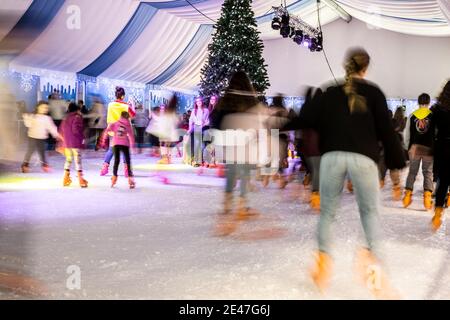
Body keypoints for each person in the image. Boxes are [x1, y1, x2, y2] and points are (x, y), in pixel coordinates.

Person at [299, 48, 406, 297]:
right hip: (364, 159)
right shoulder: (375, 93)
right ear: (365, 68)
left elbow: (307, 116)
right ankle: (373, 266)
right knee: (369, 214)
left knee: (327, 213)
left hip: (332, 158)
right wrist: (395, 158)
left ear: (345, 65)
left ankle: (323, 262)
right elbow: (386, 130)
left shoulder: (330, 92)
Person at [211, 71, 263, 236]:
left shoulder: (225, 101)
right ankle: (242, 204)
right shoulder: (251, 102)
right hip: (246, 141)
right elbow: (257, 122)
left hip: (230, 141)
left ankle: (227, 203)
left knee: (231, 170)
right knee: (245, 172)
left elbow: (216, 119)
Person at [402, 93, 434, 210]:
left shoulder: (411, 116)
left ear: (418, 102)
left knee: (412, 172)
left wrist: (407, 146)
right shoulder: (433, 116)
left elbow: (407, 134)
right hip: (428, 148)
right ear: (429, 102)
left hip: (415, 148)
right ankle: (427, 199)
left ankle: (407, 197)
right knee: (428, 173)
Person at [100, 87, 135, 176]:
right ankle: (126, 170)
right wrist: (132, 105)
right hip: (123, 130)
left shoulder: (110, 105)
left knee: (112, 149)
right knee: (124, 149)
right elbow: (133, 115)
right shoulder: (126, 106)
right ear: (123, 96)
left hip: (112, 130)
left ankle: (104, 168)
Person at [21, 101, 62, 173]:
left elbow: (51, 128)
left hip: (42, 138)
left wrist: (57, 135)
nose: (45, 109)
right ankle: (25, 164)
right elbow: (28, 124)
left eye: (46, 108)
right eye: (43, 107)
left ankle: (44, 165)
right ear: (38, 107)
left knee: (42, 152)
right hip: (32, 137)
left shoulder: (47, 118)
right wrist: (26, 117)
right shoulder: (33, 116)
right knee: (30, 151)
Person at [431, 80, 450, 231]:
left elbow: (431, 131)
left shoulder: (437, 109)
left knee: (443, 182)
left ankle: (437, 212)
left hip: (443, 148)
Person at [59, 102, 88, 188]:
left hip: (67, 143)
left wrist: (62, 142)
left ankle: (65, 178)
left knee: (68, 160)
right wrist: (82, 138)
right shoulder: (77, 117)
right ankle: (81, 179)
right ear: (77, 110)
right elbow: (76, 130)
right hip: (75, 142)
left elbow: (61, 130)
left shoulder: (65, 118)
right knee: (77, 160)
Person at [106, 111, 136, 189]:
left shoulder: (115, 123)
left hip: (116, 143)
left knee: (116, 161)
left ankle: (114, 177)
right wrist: (133, 145)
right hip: (125, 144)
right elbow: (131, 135)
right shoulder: (128, 124)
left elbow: (108, 129)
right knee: (128, 161)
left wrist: (110, 133)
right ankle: (130, 179)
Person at [188, 97, 209, 166]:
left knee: (202, 145)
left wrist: (203, 125)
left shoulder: (206, 110)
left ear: (202, 102)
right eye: (197, 101)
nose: (198, 102)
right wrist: (190, 128)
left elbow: (207, 120)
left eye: (200, 101)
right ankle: (196, 161)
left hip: (202, 129)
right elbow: (191, 120)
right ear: (196, 103)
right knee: (196, 145)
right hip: (195, 129)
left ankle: (201, 160)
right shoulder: (194, 110)